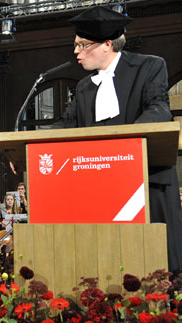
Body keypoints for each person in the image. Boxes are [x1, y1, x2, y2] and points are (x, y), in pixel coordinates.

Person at [58, 5, 182, 271]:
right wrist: (24, 147)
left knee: (156, 262)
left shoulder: (149, 66)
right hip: (104, 184)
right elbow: (67, 125)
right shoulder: (83, 86)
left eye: (82, 45)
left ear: (106, 44)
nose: (76, 52)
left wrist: (125, 146)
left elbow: (158, 108)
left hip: (147, 178)